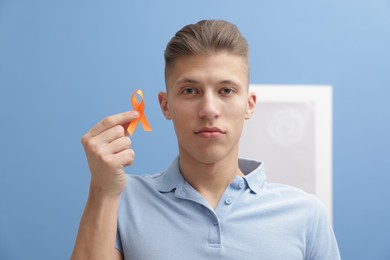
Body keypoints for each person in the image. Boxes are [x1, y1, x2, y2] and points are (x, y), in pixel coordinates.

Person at [71, 20, 341, 260]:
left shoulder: (306, 214)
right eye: (190, 90)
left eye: (226, 90)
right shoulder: (121, 199)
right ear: (165, 106)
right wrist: (103, 190)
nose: (209, 109)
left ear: (249, 105)